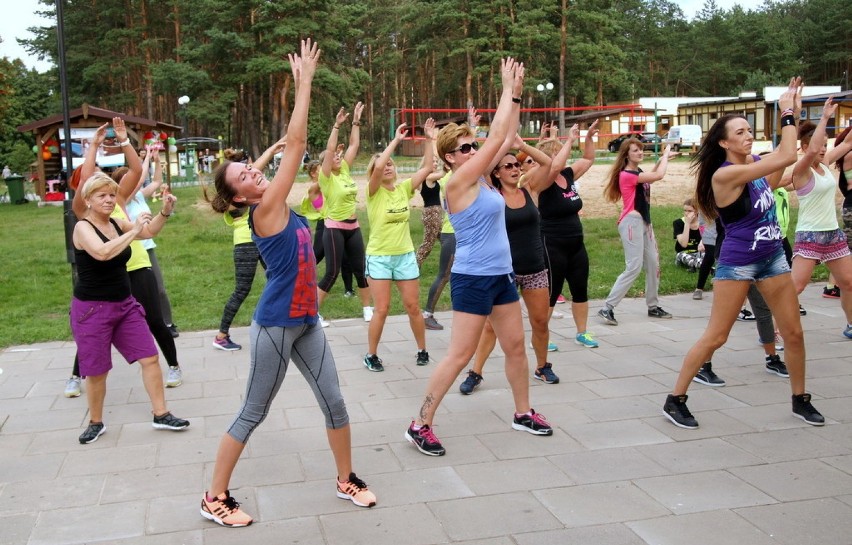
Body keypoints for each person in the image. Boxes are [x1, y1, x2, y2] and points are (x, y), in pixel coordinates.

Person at [201, 40, 375, 528]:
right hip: (276, 327)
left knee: (335, 401)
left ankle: (346, 479)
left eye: (250, 165)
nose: (253, 170)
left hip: (306, 322)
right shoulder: (265, 209)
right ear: (238, 195)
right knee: (253, 412)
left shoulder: (283, 206)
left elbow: (291, 153)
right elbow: (295, 146)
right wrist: (304, 84)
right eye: (244, 173)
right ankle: (214, 496)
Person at [405, 57, 553, 458]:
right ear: (450, 158)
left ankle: (523, 412)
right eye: (465, 148)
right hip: (472, 278)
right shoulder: (459, 182)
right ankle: (420, 423)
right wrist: (508, 90)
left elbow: (507, 136)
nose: (472, 151)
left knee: (516, 347)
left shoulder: (484, 181)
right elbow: (497, 138)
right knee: (459, 355)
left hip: (502, 276)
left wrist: (516, 95)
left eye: (473, 145)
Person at [663, 77, 825, 429]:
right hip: (738, 263)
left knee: (793, 333)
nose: (748, 135)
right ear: (723, 142)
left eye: (748, 130)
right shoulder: (726, 175)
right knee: (717, 336)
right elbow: (783, 154)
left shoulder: (752, 164)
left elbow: (776, 174)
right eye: (739, 133)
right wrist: (785, 114)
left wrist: (794, 115)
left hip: (772, 258)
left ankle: (800, 399)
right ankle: (675, 399)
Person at [69, 117, 189, 444]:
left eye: (112, 195)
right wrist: (94, 147)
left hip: (124, 304)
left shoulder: (116, 221)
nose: (110, 200)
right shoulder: (83, 226)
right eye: (103, 196)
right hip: (92, 310)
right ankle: (96, 421)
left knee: (149, 357)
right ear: (89, 201)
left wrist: (163, 212)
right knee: (96, 372)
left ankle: (161, 414)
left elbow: (147, 232)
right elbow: (104, 254)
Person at [457, 132, 578, 394]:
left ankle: (543, 366)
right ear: (497, 173)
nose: (514, 169)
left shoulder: (530, 189)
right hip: (505, 271)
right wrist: (497, 148)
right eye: (507, 166)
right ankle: (475, 372)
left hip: (535, 267)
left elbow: (550, 164)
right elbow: (482, 168)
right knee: (490, 327)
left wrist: (523, 146)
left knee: (540, 322)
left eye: (516, 165)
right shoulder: (491, 195)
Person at [362, 120, 436, 372]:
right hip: (380, 257)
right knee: (381, 309)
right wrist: (395, 141)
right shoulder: (374, 192)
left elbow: (427, 167)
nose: (387, 168)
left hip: (404, 256)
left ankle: (422, 350)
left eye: (391, 165)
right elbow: (379, 164)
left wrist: (429, 139)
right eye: (382, 167)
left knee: (413, 306)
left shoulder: (404, 189)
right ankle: (371, 355)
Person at [789, 99, 852, 339]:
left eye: (826, 145)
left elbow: (847, 142)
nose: (823, 149)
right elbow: (814, 150)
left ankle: (851, 324)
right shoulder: (801, 170)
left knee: (848, 283)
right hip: (810, 235)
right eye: (820, 145)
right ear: (804, 147)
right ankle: (773, 332)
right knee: (796, 287)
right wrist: (825, 118)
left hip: (833, 233)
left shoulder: (824, 165)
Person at [598, 139, 677, 326]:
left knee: (653, 264)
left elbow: (654, 173)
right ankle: (607, 307)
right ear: (627, 155)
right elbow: (658, 176)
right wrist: (665, 155)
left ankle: (653, 306)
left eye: (641, 150)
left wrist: (663, 160)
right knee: (633, 267)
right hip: (631, 223)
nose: (640, 153)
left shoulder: (637, 172)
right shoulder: (627, 175)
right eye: (636, 150)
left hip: (644, 222)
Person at [537, 121, 600, 348]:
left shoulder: (568, 175)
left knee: (580, 288)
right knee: (551, 293)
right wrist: (570, 139)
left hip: (576, 242)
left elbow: (589, 159)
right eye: (556, 152)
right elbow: (553, 168)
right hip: (552, 243)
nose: (562, 156)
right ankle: (543, 337)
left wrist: (589, 138)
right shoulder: (542, 180)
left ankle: (582, 332)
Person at [317, 102, 373, 322]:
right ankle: (314, 313)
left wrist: (356, 120)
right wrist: (337, 126)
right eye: (333, 158)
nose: (338, 157)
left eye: (339, 157)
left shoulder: (345, 171)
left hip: (353, 227)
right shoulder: (326, 177)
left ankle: (367, 308)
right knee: (332, 273)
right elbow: (330, 150)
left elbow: (354, 144)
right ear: (326, 164)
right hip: (334, 228)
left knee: (361, 270)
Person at [673, 198, 703, 272]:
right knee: (683, 256)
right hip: (684, 253)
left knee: (709, 256)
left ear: (697, 211)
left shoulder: (703, 223)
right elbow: (684, 244)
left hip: (698, 253)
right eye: (685, 210)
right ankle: (708, 269)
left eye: (690, 211)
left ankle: (695, 266)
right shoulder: (678, 223)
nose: (686, 213)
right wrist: (687, 224)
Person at [692, 212, 717, 300]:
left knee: (722, 258)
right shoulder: (705, 199)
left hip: (725, 229)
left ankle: (720, 286)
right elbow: (702, 220)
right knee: (710, 256)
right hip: (709, 230)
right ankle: (699, 288)